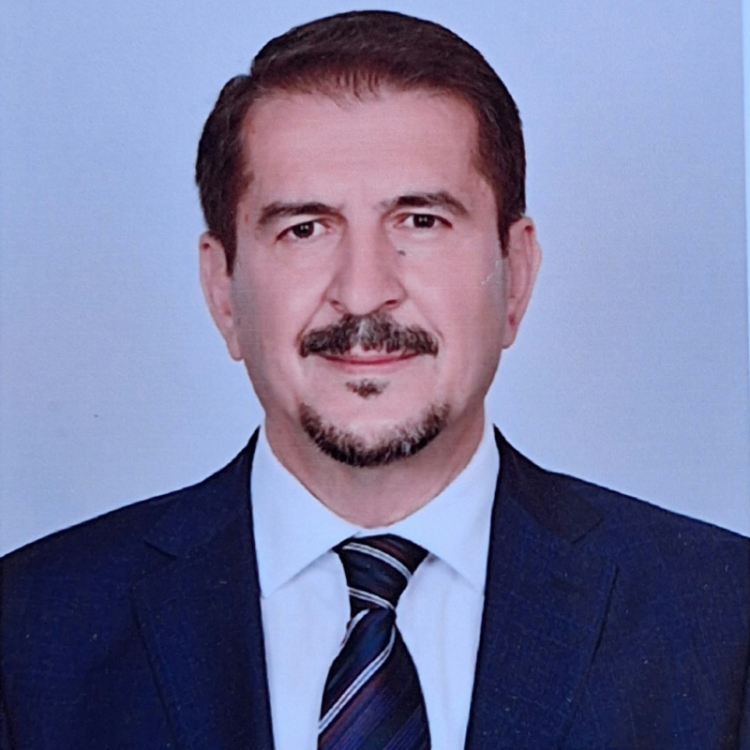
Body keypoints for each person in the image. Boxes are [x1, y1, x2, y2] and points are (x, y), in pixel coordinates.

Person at [1, 10, 748, 749]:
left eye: (420, 221)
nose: (363, 293)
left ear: (515, 277)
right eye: (304, 228)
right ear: (223, 290)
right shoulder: (28, 632)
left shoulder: (722, 621)